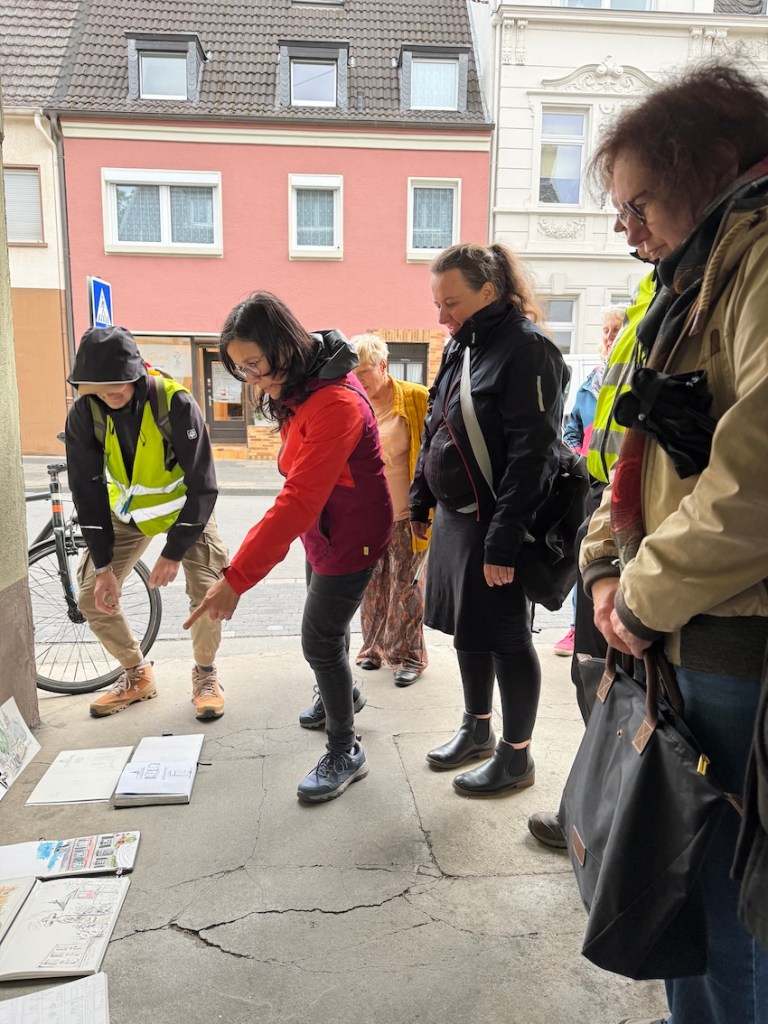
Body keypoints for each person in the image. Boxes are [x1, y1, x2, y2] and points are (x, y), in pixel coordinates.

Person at [581, 62, 768, 1024]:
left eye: (639, 203)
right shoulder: (693, 276)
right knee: (688, 888)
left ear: (716, 166)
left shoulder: (754, 260)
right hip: (689, 631)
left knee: (724, 905)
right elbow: (631, 448)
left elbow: (754, 481)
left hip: (730, 644)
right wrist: (604, 566)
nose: (628, 228)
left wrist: (641, 595)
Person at [184, 292, 392, 804]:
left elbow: (297, 499)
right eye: (241, 369)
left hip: (351, 535)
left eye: (255, 364)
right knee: (330, 631)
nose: (252, 378)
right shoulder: (302, 383)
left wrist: (235, 579)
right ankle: (341, 695)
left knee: (319, 638)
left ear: (283, 346)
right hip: (324, 528)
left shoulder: (335, 402)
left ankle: (345, 749)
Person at [409, 242, 568, 796]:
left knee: (505, 637)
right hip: (458, 519)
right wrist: (420, 497)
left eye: (451, 303)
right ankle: (477, 729)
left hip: (497, 522)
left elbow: (534, 456)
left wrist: (503, 542)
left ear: (489, 291)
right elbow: (436, 422)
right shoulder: (464, 343)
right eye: (438, 304)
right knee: (468, 632)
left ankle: (516, 757)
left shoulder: (528, 350)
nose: (442, 316)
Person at [65, 325, 228, 721]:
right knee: (90, 596)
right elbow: (87, 491)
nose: (109, 393)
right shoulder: (85, 413)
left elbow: (204, 487)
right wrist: (103, 567)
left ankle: (205, 674)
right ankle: (137, 674)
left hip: (185, 510)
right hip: (128, 513)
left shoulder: (175, 403)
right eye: (98, 387)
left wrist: (173, 552)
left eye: (116, 383)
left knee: (208, 591)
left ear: (136, 373)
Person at [350, 334, 429, 687]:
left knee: (406, 586)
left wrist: (428, 506)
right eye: (353, 373)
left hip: (408, 514)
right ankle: (374, 648)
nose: (358, 379)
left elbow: (433, 454)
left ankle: (408, 656)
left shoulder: (415, 398)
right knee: (371, 585)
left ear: (383, 366)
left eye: (364, 371)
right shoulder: (353, 403)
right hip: (369, 516)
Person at [553, 304, 626, 657]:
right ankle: (577, 627)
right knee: (584, 552)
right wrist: (575, 456)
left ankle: (605, 633)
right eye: (606, 330)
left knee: (605, 557)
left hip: (619, 483)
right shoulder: (592, 382)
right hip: (590, 481)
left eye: (616, 329)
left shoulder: (627, 375)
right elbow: (572, 427)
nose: (609, 337)